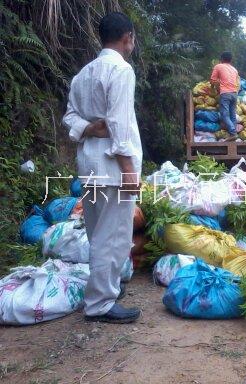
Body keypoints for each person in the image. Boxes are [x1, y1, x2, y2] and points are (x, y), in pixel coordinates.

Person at [63, 12, 142, 323]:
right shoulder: (120, 70)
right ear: (127, 38)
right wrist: (129, 170)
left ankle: (103, 289)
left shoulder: (83, 74)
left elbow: (69, 117)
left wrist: (87, 129)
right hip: (113, 166)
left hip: (90, 163)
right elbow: (120, 123)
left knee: (98, 233)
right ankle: (100, 304)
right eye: (132, 39)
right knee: (116, 236)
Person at [210, 52, 240, 140]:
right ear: (231, 60)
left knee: (224, 115)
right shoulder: (234, 69)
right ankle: (232, 134)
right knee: (232, 115)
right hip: (234, 94)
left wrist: (212, 89)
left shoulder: (218, 66)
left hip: (225, 94)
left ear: (222, 59)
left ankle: (233, 132)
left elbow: (212, 80)